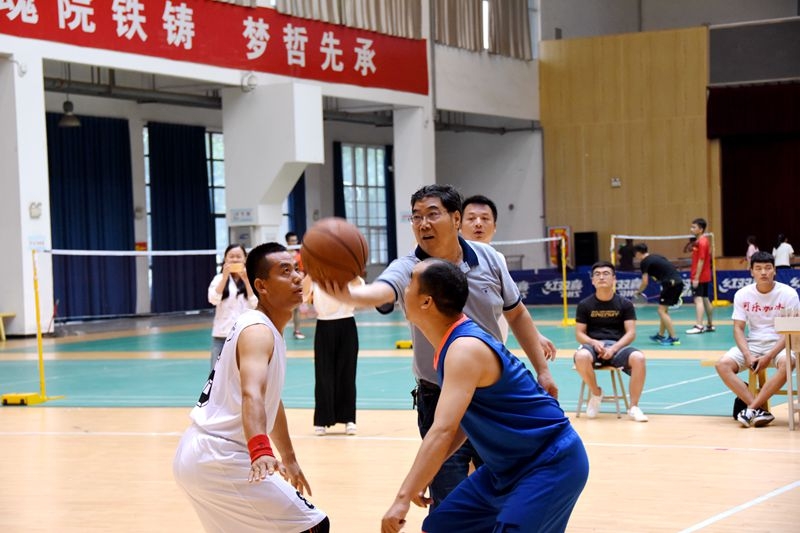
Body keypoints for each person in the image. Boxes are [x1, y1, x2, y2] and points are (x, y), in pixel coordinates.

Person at [323, 184, 557, 511]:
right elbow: (380, 291)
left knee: (507, 493)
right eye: (416, 217)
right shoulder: (410, 268)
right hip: (438, 395)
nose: (423, 224)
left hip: (494, 394)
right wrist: (349, 294)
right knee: (449, 501)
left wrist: (542, 370)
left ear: (455, 218)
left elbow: (516, 314)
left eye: (432, 214)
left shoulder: (489, 258)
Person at [381, 259, 588, 533]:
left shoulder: (464, 349)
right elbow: (461, 424)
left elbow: (442, 430)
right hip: (506, 468)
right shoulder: (453, 344)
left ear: (427, 302)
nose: (403, 289)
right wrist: (424, 475)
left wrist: (402, 498)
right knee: (440, 527)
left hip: (550, 462)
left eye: (409, 283)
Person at [173, 243, 329, 533]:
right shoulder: (258, 331)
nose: (297, 277)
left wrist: (289, 458)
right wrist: (260, 450)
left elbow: (271, 401)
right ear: (262, 286)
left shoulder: (265, 327)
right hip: (220, 456)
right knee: (313, 526)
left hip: (203, 455)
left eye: (296, 269)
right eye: (285, 272)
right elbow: (252, 393)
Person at [714, 251, 799, 428]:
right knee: (722, 365)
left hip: (780, 345)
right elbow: (738, 328)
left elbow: (790, 332)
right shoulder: (742, 294)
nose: (763, 272)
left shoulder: (788, 294)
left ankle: (751, 408)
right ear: (751, 271)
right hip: (752, 344)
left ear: (774, 270)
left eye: (768, 268)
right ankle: (760, 411)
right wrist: (747, 354)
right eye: (758, 268)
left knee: (788, 363)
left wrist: (769, 355)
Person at [573, 261, 649, 422]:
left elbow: (631, 333)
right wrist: (593, 342)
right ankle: (596, 393)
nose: (601, 277)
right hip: (593, 346)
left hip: (617, 347)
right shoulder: (585, 305)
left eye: (606, 274)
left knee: (639, 358)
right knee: (581, 356)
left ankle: (634, 407)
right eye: (597, 274)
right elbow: (579, 333)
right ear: (592, 280)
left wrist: (613, 348)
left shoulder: (625, 304)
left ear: (614, 279)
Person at [303, 275, 363, 436]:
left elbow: (359, 286)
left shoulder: (346, 272)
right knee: (323, 374)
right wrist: (311, 272)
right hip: (324, 324)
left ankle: (349, 419)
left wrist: (349, 272)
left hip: (347, 323)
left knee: (347, 373)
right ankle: (321, 420)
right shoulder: (316, 275)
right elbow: (303, 294)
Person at [460, 194, 508, 342]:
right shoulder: (447, 260)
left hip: (496, 341)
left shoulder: (499, 258)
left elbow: (513, 307)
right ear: (458, 224)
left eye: (485, 218)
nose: (478, 224)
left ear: (495, 227)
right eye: (471, 218)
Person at [207, 244, 258, 370]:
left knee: (244, 372)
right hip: (222, 335)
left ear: (245, 259)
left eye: (238, 256)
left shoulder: (252, 278)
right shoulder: (218, 278)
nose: (235, 259)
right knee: (216, 372)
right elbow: (213, 300)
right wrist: (224, 278)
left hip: (245, 335)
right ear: (225, 259)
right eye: (231, 256)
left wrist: (246, 280)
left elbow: (256, 303)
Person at [633, 243, 683, 346]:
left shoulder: (644, 262)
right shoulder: (657, 256)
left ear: (638, 253)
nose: (635, 256)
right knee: (664, 311)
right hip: (677, 282)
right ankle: (660, 335)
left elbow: (645, 282)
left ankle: (674, 338)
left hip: (670, 284)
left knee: (661, 311)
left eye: (635, 254)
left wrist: (638, 292)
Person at [686, 218, 715, 335]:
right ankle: (710, 324)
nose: (691, 229)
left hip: (700, 276)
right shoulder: (702, 241)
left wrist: (696, 277)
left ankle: (699, 326)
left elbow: (701, 260)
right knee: (705, 299)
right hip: (705, 275)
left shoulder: (702, 242)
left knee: (698, 300)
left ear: (701, 229)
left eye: (694, 227)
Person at [286, 231, 307, 339]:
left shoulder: (299, 256)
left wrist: (299, 279)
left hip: (295, 285)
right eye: (292, 241)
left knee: (296, 308)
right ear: (287, 242)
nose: (295, 242)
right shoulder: (283, 255)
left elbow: (302, 271)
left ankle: (297, 331)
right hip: (284, 286)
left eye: (296, 240)